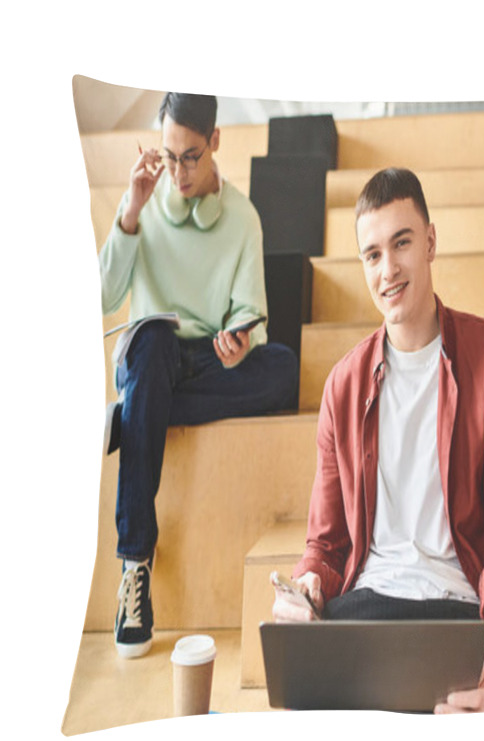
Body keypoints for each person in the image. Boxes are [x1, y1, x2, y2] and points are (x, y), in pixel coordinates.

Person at [273, 168, 484, 718]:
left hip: (469, 620)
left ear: (430, 241)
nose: (388, 269)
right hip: (368, 615)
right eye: (372, 254)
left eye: (401, 243)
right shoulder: (343, 385)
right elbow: (326, 547)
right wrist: (305, 589)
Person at [100, 92, 298, 658]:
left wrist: (239, 345)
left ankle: (134, 413)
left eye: (190, 156)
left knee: (281, 367)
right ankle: (135, 564)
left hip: (208, 364)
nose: (178, 171)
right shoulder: (143, 200)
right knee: (154, 339)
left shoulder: (242, 219)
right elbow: (104, 296)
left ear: (215, 142)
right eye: (167, 156)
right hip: (153, 354)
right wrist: (131, 213)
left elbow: (249, 316)